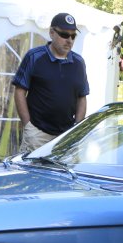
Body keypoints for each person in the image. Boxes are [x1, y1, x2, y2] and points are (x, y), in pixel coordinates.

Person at [12, 12, 88, 155]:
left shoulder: (79, 63)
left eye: (73, 36)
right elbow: (19, 90)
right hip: (37, 135)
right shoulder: (34, 57)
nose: (69, 40)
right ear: (52, 33)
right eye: (64, 35)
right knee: (32, 170)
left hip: (66, 137)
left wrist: (76, 130)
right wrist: (28, 126)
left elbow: (82, 97)